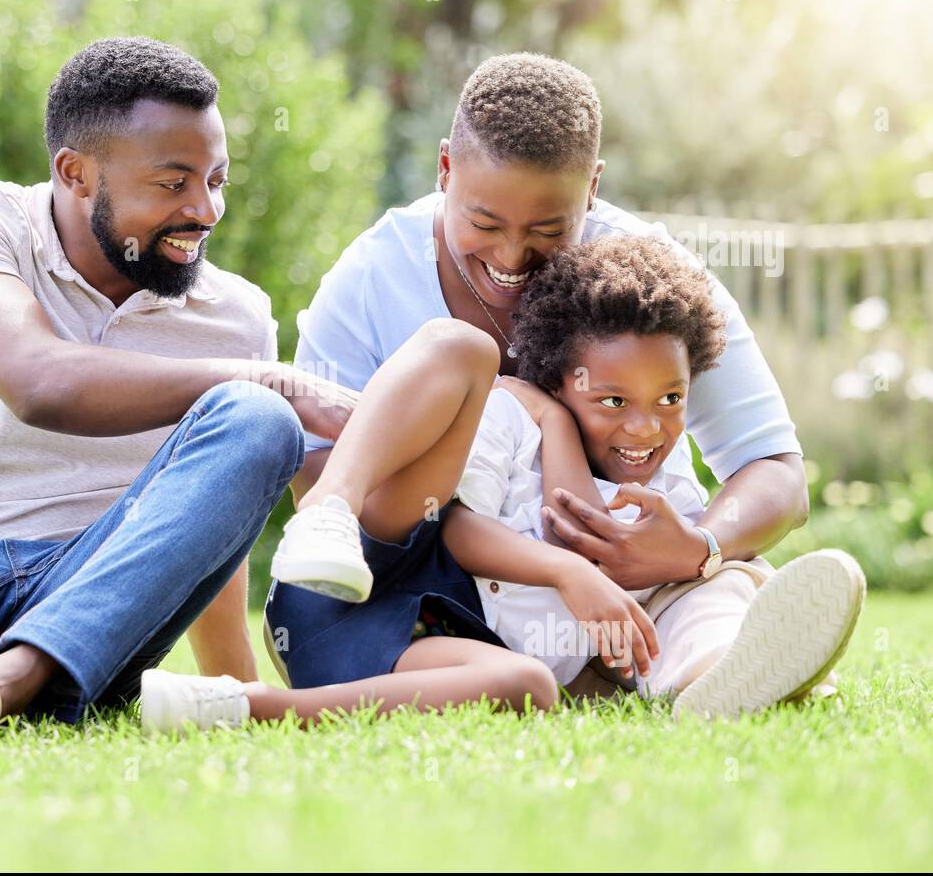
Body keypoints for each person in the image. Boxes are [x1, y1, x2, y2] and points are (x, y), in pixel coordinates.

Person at [0, 36, 355, 746]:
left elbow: (210, 528)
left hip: (100, 599)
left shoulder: (235, 315)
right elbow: (38, 381)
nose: (206, 210)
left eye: (217, 179)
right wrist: (261, 377)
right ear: (76, 172)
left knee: (261, 421)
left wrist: (235, 685)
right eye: (173, 182)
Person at [139, 235, 864, 733]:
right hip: (368, 587)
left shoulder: (642, 494)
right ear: (558, 376)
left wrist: (713, 562)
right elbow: (452, 525)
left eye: (670, 400)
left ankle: (721, 674)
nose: (645, 428)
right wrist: (565, 559)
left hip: (441, 639)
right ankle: (259, 677)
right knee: (466, 349)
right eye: (612, 400)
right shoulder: (515, 413)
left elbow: (599, 624)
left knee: (535, 684)